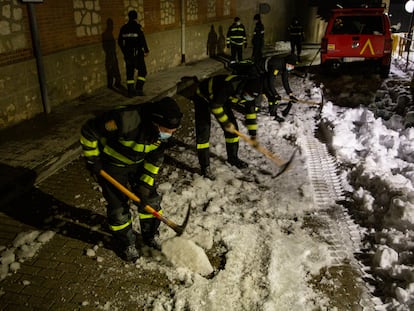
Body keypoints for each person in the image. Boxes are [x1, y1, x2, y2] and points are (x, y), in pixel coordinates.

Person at [80, 97, 183, 262]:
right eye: (166, 130)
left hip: (139, 163)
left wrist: (145, 185)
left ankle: (150, 235)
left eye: (173, 131)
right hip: (112, 165)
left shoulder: (164, 136)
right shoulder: (124, 119)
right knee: (118, 208)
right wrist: (93, 160)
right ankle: (126, 243)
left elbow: (155, 159)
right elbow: (89, 131)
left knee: (150, 200)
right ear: (154, 122)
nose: (169, 135)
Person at [178, 74, 261, 180]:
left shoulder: (250, 95)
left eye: (251, 96)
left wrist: (253, 134)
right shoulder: (229, 86)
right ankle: (205, 166)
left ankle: (233, 158)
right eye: (247, 94)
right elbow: (215, 107)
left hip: (222, 100)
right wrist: (226, 123)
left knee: (233, 131)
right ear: (243, 88)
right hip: (203, 97)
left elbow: (251, 114)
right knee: (203, 132)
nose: (248, 97)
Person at [256, 54, 298, 122]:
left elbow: (285, 80)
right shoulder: (276, 65)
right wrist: (275, 94)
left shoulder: (285, 66)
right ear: (287, 63)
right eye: (292, 65)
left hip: (266, 72)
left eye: (293, 66)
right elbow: (270, 82)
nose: (292, 68)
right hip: (258, 70)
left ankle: (272, 111)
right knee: (265, 91)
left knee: (272, 95)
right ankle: (270, 113)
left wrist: (290, 94)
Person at [118, 10, 149, 97]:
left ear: (129, 17)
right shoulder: (137, 27)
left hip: (128, 54)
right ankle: (139, 89)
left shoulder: (123, 28)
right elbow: (142, 40)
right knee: (143, 71)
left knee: (130, 72)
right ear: (136, 17)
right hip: (138, 53)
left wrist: (124, 51)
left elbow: (120, 41)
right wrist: (146, 50)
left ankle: (130, 92)